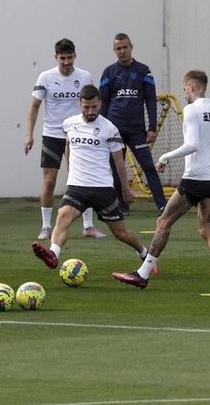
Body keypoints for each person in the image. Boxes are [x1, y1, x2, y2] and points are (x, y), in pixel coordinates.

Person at [112, 70, 210, 290]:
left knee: (163, 222)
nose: (185, 95)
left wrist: (164, 157)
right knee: (206, 229)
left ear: (191, 86)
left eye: (184, 90)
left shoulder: (192, 110)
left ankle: (142, 274)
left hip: (196, 179)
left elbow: (193, 144)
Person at [31, 84, 155, 272]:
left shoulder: (109, 128)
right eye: (86, 107)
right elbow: (68, 146)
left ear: (100, 104)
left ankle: (144, 254)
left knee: (121, 233)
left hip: (102, 189)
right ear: (79, 104)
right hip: (77, 186)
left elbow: (119, 162)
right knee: (62, 217)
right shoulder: (69, 124)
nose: (90, 111)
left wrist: (125, 189)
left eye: (94, 107)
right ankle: (53, 254)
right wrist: (69, 170)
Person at [24, 38, 105, 240]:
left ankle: (88, 226)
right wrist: (29, 135)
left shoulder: (85, 76)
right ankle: (45, 227)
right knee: (49, 181)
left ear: (75, 56)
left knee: (82, 180)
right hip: (52, 135)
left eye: (70, 57)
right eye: (62, 58)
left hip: (78, 136)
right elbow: (34, 106)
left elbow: (92, 104)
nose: (67, 62)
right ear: (56, 57)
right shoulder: (45, 77)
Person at [99, 33, 167, 215]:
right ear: (114, 50)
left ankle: (163, 206)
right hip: (114, 130)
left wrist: (152, 127)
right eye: (118, 48)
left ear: (131, 47)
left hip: (137, 130)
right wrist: (100, 129)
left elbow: (151, 100)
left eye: (125, 47)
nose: (122, 51)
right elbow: (103, 102)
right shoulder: (108, 72)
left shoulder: (144, 70)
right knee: (114, 169)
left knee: (148, 166)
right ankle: (122, 204)